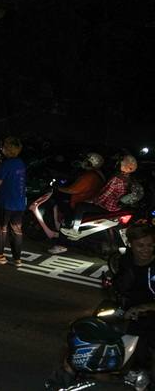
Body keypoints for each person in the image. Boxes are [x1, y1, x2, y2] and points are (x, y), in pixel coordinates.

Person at [50, 155, 137, 254]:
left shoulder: (112, 178)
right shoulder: (126, 178)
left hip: (107, 206)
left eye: (120, 163)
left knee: (77, 209)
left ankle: (71, 232)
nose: (117, 164)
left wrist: (93, 201)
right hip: (116, 206)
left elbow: (105, 194)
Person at [112, 224, 155, 374]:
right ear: (130, 244)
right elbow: (120, 285)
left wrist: (145, 307)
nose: (146, 250)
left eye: (150, 245)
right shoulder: (126, 260)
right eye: (140, 245)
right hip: (132, 316)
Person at [0, 137, 26, 265]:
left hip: (7, 202)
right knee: (16, 230)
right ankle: (17, 258)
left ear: (8, 149)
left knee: (1, 229)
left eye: (3, 147)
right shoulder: (20, 163)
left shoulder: (7, 164)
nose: (2, 149)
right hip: (19, 202)